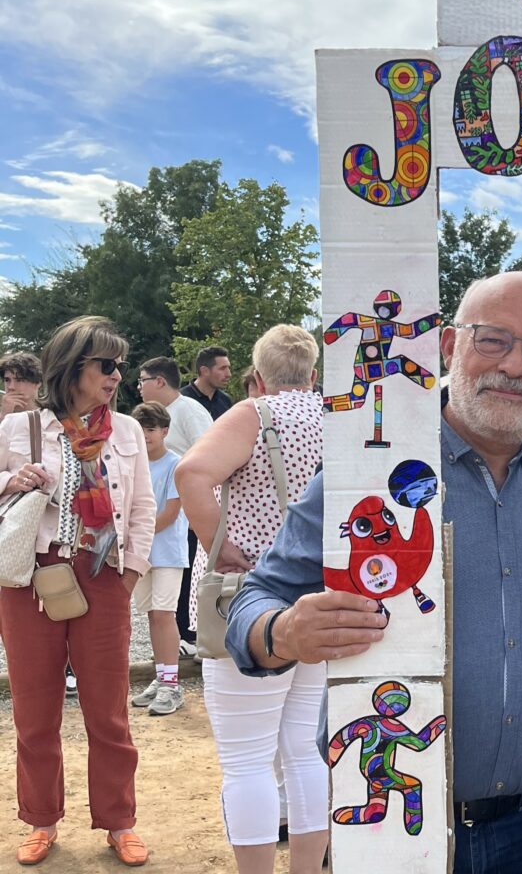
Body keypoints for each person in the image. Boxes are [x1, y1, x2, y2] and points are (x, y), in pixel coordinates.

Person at [226, 271, 522, 874]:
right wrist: (283, 632)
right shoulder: (365, 473)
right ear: (449, 346)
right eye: (494, 339)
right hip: (390, 827)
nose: (514, 366)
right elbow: (256, 597)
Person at [0, 317, 155, 868]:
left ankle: (119, 820)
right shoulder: (21, 429)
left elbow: (141, 507)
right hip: (31, 579)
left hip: (104, 573)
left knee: (108, 710)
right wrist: (11, 482)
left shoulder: (129, 431)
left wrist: (131, 570)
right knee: (35, 708)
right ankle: (41, 820)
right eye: (106, 365)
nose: (118, 375)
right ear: (73, 367)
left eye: (120, 365)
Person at [174, 325, 327, 874]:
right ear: (313, 373)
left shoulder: (253, 414)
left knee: (246, 761)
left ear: (256, 376)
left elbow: (191, 472)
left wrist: (222, 546)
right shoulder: (336, 416)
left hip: (249, 600)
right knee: (305, 749)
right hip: (319, 598)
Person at [138, 356, 213, 653]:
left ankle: (190, 636)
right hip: (162, 498)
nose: (139, 387)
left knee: (186, 572)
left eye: (142, 380)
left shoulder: (189, 410)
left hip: (186, 502)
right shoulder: (159, 415)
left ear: (159, 381)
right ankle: (180, 637)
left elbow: (208, 454)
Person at [128, 402, 189, 716]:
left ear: (164, 431)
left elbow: (170, 513)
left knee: (164, 615)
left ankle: (171, 684)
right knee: (151, 616)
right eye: (140, 429)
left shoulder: (175, 464)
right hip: (140, 553)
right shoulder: (132, 463)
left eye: (151, 429)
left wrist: (134, 533)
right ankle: (161, 676)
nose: (146, 435)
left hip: (166, 553)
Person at [182, 346, 234, 420]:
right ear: (204, 371)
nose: (229, 374)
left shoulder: (225, 400)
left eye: (228, 368)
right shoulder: (182, 399)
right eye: (222, 368)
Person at [1, 351, 42, 419]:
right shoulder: (3, 414)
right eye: (7, 380)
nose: (11, 387)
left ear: (37, 383)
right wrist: (3, 416)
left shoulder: (53, 417)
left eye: (19, 380)